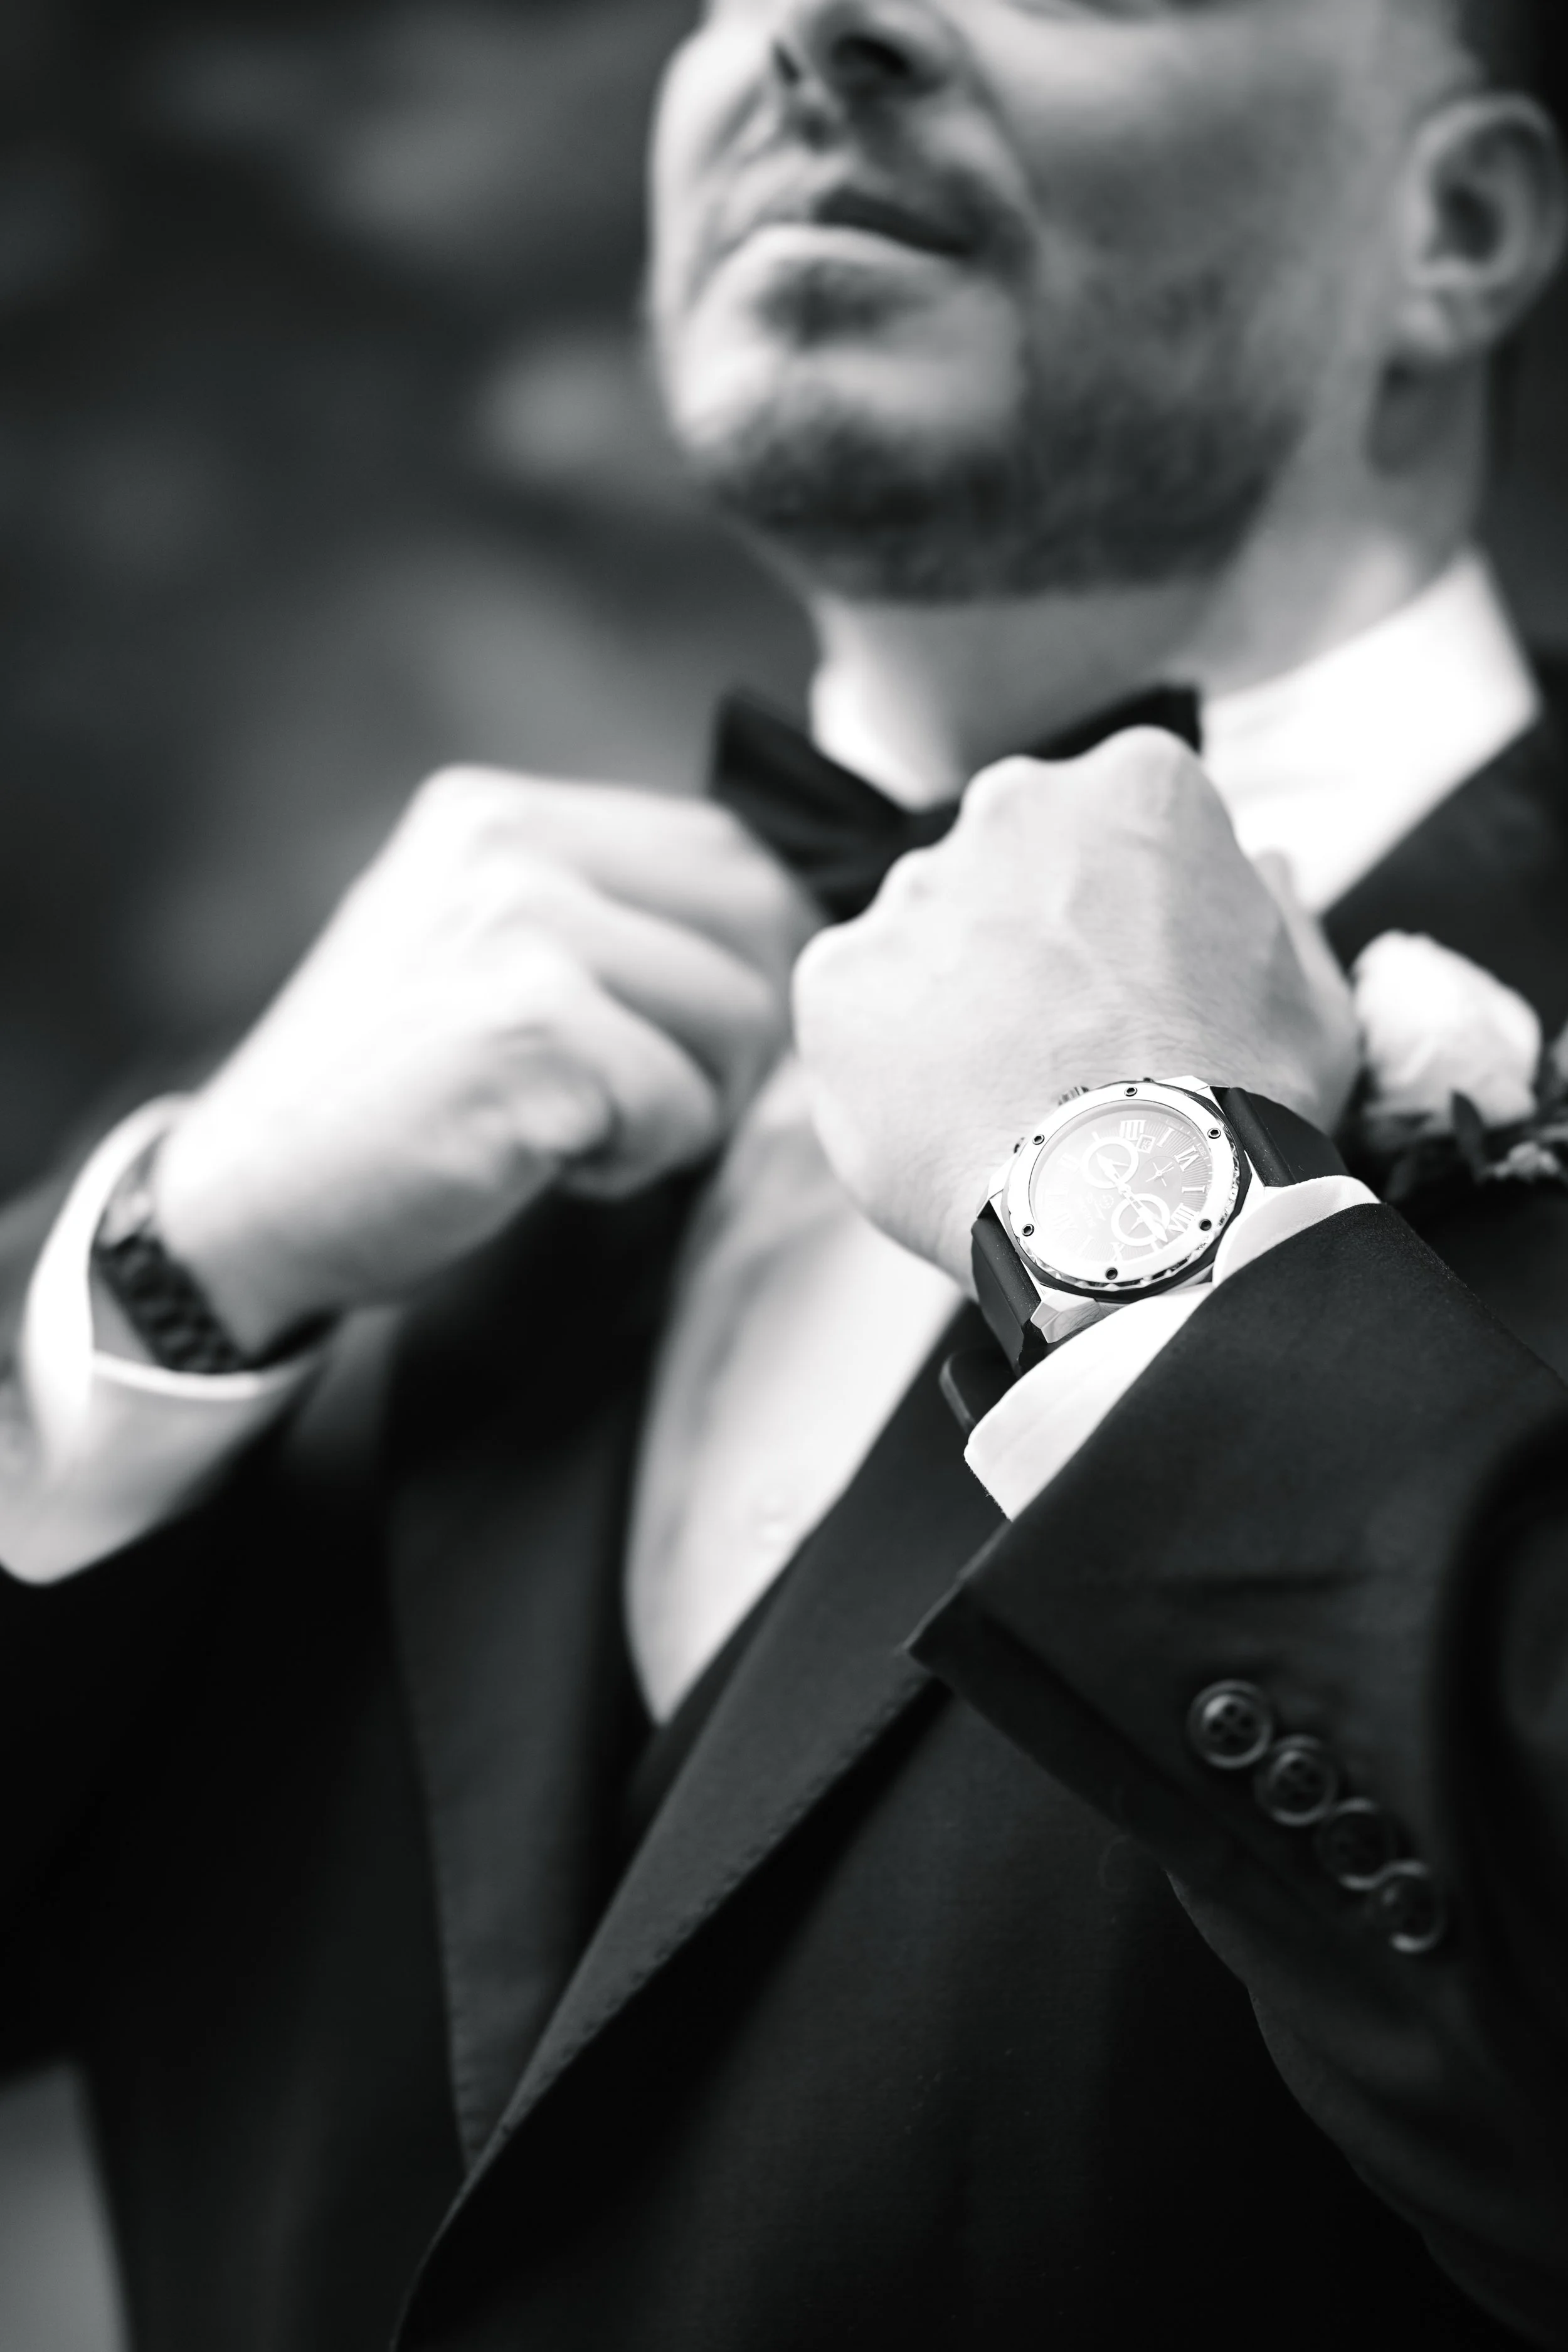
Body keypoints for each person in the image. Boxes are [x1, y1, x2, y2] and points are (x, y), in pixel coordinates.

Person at [2, 0, 1567, 2344]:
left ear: (1450, 225)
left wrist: (1155, 1225)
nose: (815, 31)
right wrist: (167, 1283)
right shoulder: (322, 1140)